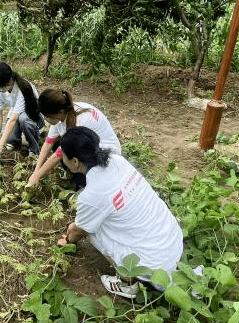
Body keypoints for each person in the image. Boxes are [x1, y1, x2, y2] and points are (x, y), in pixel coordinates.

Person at [56, 127, 183, 299]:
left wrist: (68, 240)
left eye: (63, 155)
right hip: (172, 243)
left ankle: (127, 283)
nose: (61, 158)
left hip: (153, 268)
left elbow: (80, 230)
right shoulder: (117, 160)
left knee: (93, 230)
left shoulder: (91, 195)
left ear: (75, 161)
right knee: (104, 218)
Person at [28, 89, 121, 189]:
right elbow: (48, 142)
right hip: (89, 147)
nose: (45, 119)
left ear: (59, 112)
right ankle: (74, 172)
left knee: (80, 180)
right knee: (57, 144)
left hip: (106, 154)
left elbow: (58, 154)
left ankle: (84, 181)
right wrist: (36, 171)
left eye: (47, 116)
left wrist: (38, 176)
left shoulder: (80, 121)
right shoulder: (62, 112)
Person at [0, 61, 43, 159]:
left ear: (10, 81)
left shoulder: (22, 88)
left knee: (23, 119)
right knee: (7, 139)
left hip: (33, 115)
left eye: (1, 88)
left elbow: (13, 119)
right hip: (16, 113)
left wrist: (0, 145)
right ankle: (15, 141)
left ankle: (34, 150)